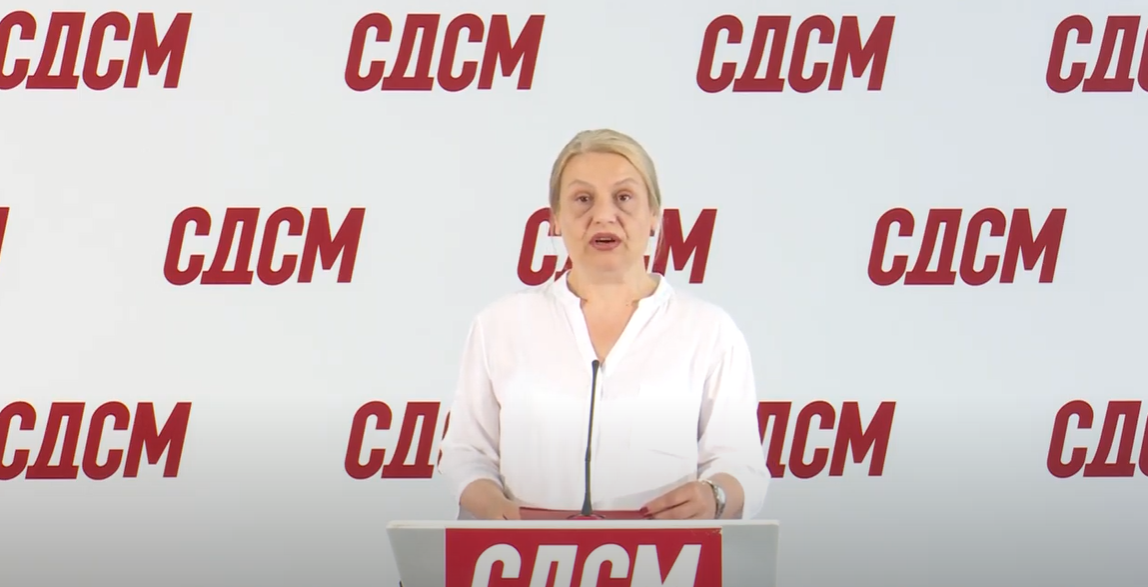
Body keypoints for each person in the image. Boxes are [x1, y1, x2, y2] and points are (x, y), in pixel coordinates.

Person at [437, 129, 768, 521]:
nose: (604, 216)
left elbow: (742, 464)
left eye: (624, 197)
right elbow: (466, 453)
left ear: (654, 216)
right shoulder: (500, 325)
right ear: (555, 219)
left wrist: (715, 496)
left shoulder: (709, 330)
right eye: (583, 199)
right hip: (525, 553)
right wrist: (496, 509)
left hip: (664, 555)